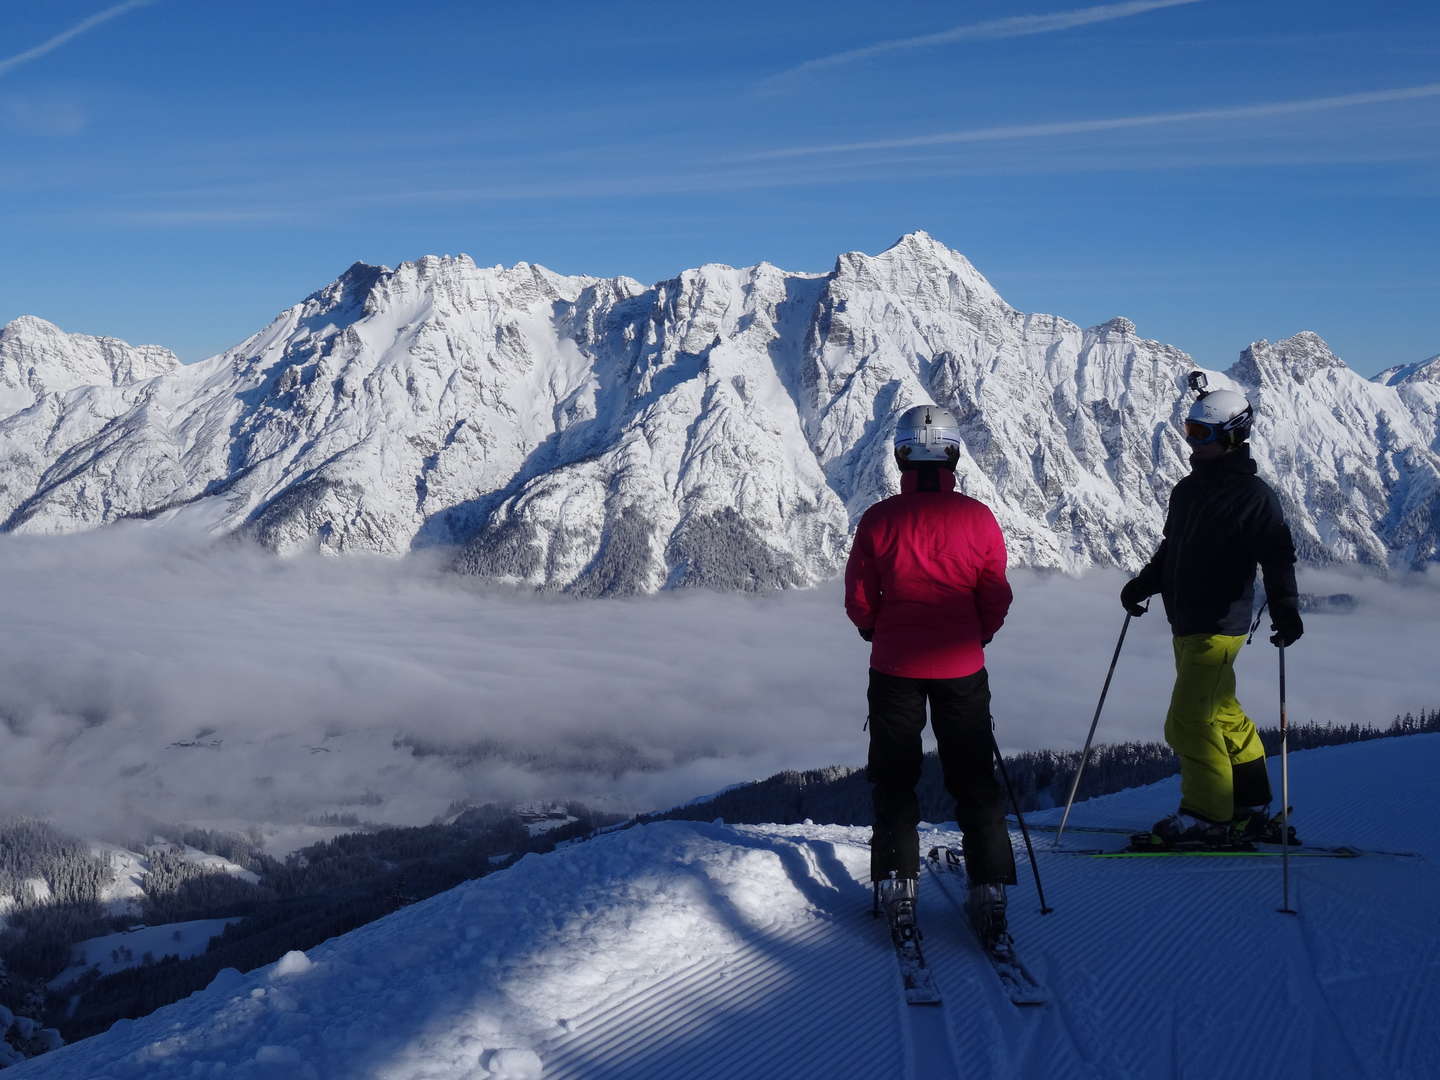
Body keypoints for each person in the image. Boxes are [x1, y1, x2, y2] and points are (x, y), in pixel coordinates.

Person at [844, 404, 1016, 948]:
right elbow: (995, 592)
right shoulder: (979, 517)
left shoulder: (878, 519)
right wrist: (979, 634)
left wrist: (878, 630)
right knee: (974, 778)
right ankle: (989, 888)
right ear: (953, 456)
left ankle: (898, 882)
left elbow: (858, 596)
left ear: (900, 456)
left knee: (895, 777)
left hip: (894, 665)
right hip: (963, 665)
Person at [1122, 375, 1303, 849]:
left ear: (1230, 437)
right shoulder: (1187, 491)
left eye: (1201, 435)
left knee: (1186, 720)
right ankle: (1249, 802)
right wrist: (1145, 584)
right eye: (1188, 431)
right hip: (1185, 621)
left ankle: (1208, 815)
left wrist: (1285, 608)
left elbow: (1278, 556)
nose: (1191, 442)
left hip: (1219, 624)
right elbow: (1172, 549)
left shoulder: (1254, 497)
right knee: (1222, 713)